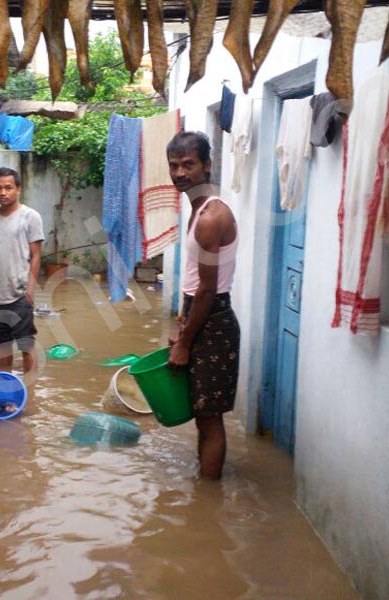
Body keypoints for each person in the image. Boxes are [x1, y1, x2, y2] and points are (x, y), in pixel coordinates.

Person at [166, 131, 241, 480]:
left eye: (189, 165)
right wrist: (183, 325)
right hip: (201, 314)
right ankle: (204, 486)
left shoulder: (211, 217)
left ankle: (209, 499)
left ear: (207, 165)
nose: (180, 173)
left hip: (214, 319)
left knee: (209, 418)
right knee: (201, 414)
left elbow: (209, 291)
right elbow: (197, 285)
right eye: (174, 166)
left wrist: (185, 342)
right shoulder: (197, 210)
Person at [0, 167, 44, 381]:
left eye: (8, 188)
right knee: (3, 345)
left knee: (26, 345)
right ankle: (6, 392)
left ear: (18, 189)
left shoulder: (30, 216)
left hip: (19, 295)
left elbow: (36, 255)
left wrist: (30, 290)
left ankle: (30, 392)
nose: (3, 192)